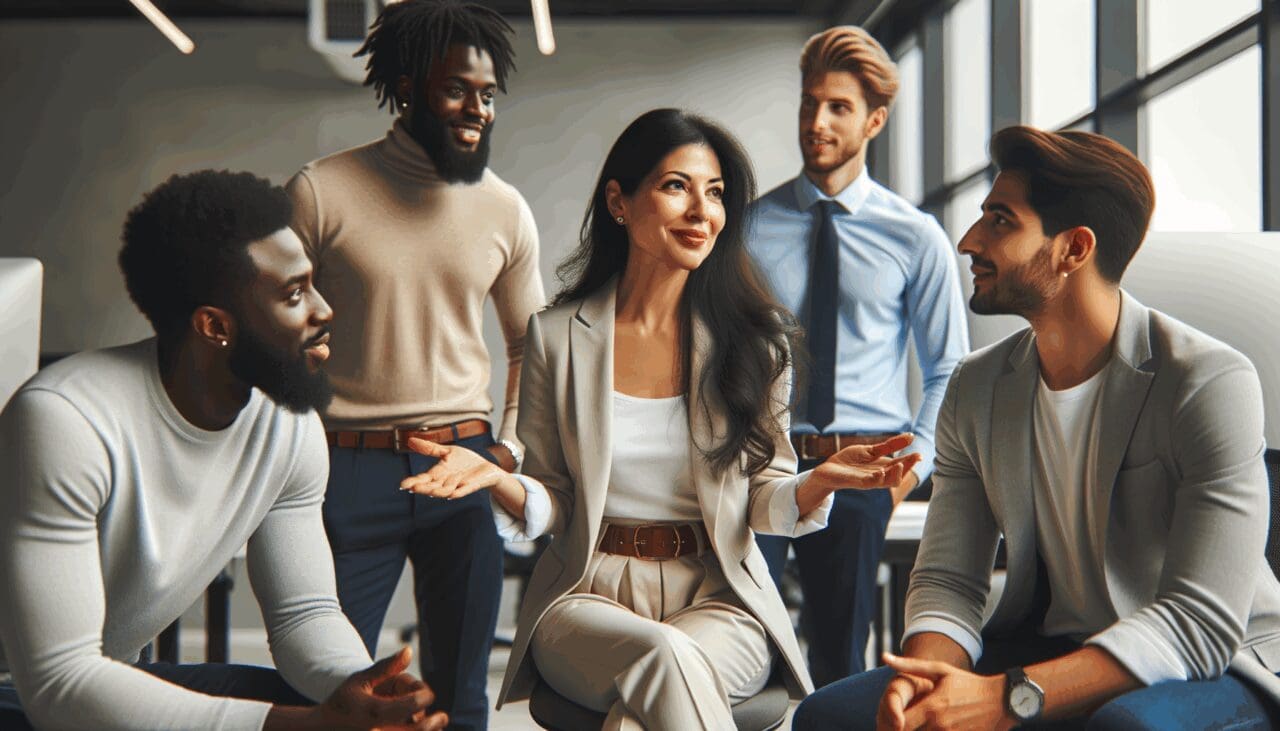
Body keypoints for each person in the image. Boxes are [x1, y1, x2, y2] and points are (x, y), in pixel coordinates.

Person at [399, 108, 922, 730]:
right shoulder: (557, 337)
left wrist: (820, 481)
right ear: (618, 202)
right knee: (666, 657)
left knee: (655, 685)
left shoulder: (758, 344)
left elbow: (762, 496)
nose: (703, 212)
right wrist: (497, 478)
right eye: (677, 186)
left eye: (716, 193)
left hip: (721, 597)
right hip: (585, 598)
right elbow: (557, 498)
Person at [793, 126, 1280, 730]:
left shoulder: (1207, 381)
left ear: (1073, 249)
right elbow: (949, 578)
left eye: (1000, 221)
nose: (969, 241)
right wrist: (926, 683)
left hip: (1217, 663)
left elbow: (1198, 620)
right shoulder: (975, 386)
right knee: (830, 716)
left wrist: (1007, 698)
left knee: (1124, 728)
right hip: (1052, 644)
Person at [0, 170, 447, 731]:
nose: (324, 310)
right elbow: (58, 682)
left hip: (102, 680)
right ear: (215, 326)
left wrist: (362, 695)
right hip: (23, 692)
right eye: (294, 294)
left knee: (316, 708)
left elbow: (304, 613)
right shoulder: (65, 420)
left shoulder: (289, 426)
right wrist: (304, 726)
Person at [285, 1, 545, 727]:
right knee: (333, 692)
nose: (478, 109)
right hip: (345, 466)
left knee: (463, 696)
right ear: (407, 88)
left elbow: (531, 347)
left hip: (462, 463)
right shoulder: (320, 191)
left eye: (488, 94)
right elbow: (277, 333)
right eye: (457, 89)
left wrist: (505, 453)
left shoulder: (504, 208)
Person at [748, 25, 969, 685]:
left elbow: (948, 368)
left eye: (838, 107)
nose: (816, 122)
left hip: (865, 469)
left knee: (841, 662)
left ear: (874, 120)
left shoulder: (915, 236)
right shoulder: (748, 229)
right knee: (744, 646)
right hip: (764, 462)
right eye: (809, 103)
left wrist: (908, 471)